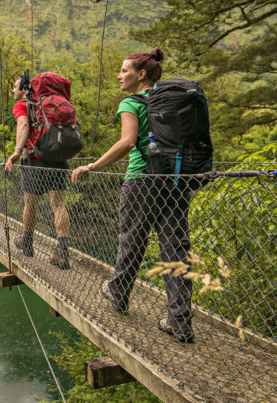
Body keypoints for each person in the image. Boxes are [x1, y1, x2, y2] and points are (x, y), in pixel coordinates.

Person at [70, 47, 195, 343]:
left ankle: (118, 291)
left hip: (142, 180)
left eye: (124, 71)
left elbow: (127, 143)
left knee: (132, 239)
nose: (119, 75)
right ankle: (180, 320)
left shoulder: (132, 102)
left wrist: (93, 165)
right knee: (175, 248)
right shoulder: (175, 102)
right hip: (178, 181)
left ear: (141, 75)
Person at [4, 75, 72, 269]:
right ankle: (62, 252)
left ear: (24, 90)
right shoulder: (49, 104)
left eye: (15, 87)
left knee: (30, 204)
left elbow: (23, 125)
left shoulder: (22, 105)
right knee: (58, 205)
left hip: (35, 161)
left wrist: (17, 152)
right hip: (59, 160)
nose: (12, 91)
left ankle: (27, 242)